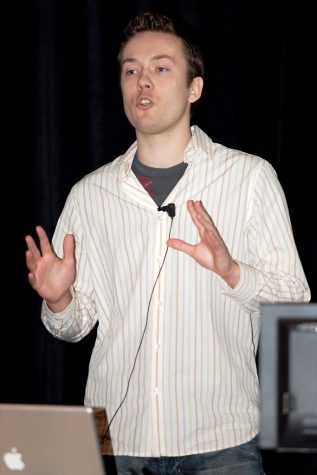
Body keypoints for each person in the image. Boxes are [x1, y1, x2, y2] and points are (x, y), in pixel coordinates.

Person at [25, 10, 310, 475]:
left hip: (223, 444)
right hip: (115, 441)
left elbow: (295, 306)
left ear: (194, 88)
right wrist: (59, 300)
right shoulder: (89, 194)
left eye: (161, 68)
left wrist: (233, 272)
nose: (143, 82)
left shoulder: (250, 178)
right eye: (131, 70)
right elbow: (74, 327)